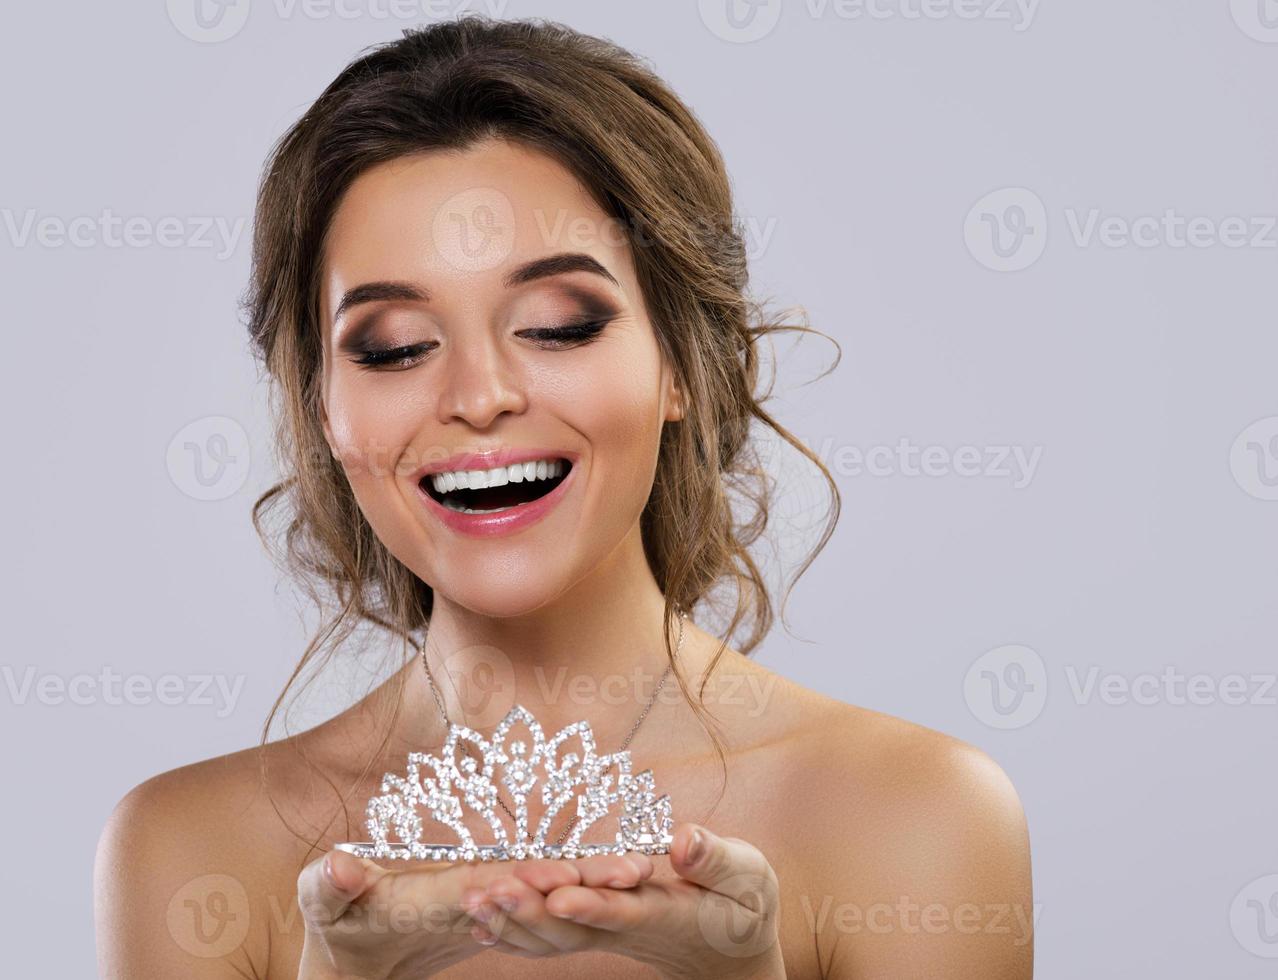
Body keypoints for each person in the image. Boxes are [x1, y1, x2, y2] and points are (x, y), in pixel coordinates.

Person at [95, 16, 1033, 979]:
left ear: (680, 366)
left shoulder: (915, 818)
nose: (477, 397)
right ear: (323, 412)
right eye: (392, 347)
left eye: (557, 326)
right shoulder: (190, 850)